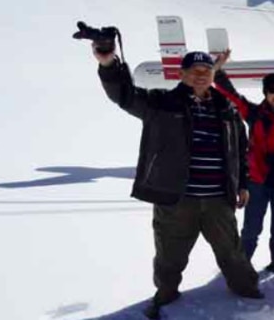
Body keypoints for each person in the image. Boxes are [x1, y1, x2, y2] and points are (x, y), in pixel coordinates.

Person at [92, 46, 263, 319]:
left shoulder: (226, 109)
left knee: (232, 251)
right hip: (176, 201)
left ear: (213, 74)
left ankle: (246, 288)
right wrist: (109, 63)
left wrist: (242, 183)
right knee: (169, 256)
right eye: (193, 71)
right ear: (181, 74)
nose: (200, 75)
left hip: (219, 199)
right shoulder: (161, 103)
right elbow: (123, 96)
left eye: (206, 71)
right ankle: (166, 292)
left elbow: (239, 152)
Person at [212, 49, 274, 273]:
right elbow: (232, 96)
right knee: (250, 229)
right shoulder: (254, 113)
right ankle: (240, 267)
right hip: (256, 181)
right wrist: (218, 71)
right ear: (265, 92)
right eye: (272, 90)